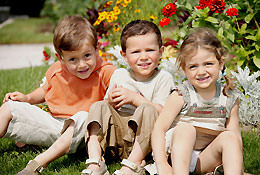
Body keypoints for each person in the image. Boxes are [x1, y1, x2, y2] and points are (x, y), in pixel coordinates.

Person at [0, 15, 115, 174]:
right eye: (73, 59)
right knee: (9, 107)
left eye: (87, 56)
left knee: (84, 116)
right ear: (60, 58)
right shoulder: (57, 70)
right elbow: (44, 90)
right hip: (55, 125)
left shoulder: (106, 72)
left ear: (96, 50)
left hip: (86, 133)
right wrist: (26, 99)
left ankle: (38, 164)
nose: (82, 64)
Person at [81, 20, 175, 175]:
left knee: (148, 108)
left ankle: (133, 163)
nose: (143, 57)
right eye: (136, 52)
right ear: (124, 55)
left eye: (150, 50)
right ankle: (95, 160)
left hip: (145, 141)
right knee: (99, 106)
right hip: (118, 139)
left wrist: (135, 99)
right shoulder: (120, 75)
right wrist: (110, 100)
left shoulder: (163, 78)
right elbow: (107, 109)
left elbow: (164, 114)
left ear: (161, 51)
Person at [152, 28, 243, 175]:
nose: (201, 72)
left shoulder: (228, 97)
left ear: (220, 64)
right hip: (177, 157)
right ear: (184, 69)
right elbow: (159, 129)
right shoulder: (182, 94)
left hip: (205, 158)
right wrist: (162, 165)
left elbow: (235, 138)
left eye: (208, 64)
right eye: (193, 66)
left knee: (230, 137)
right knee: (185, 129)